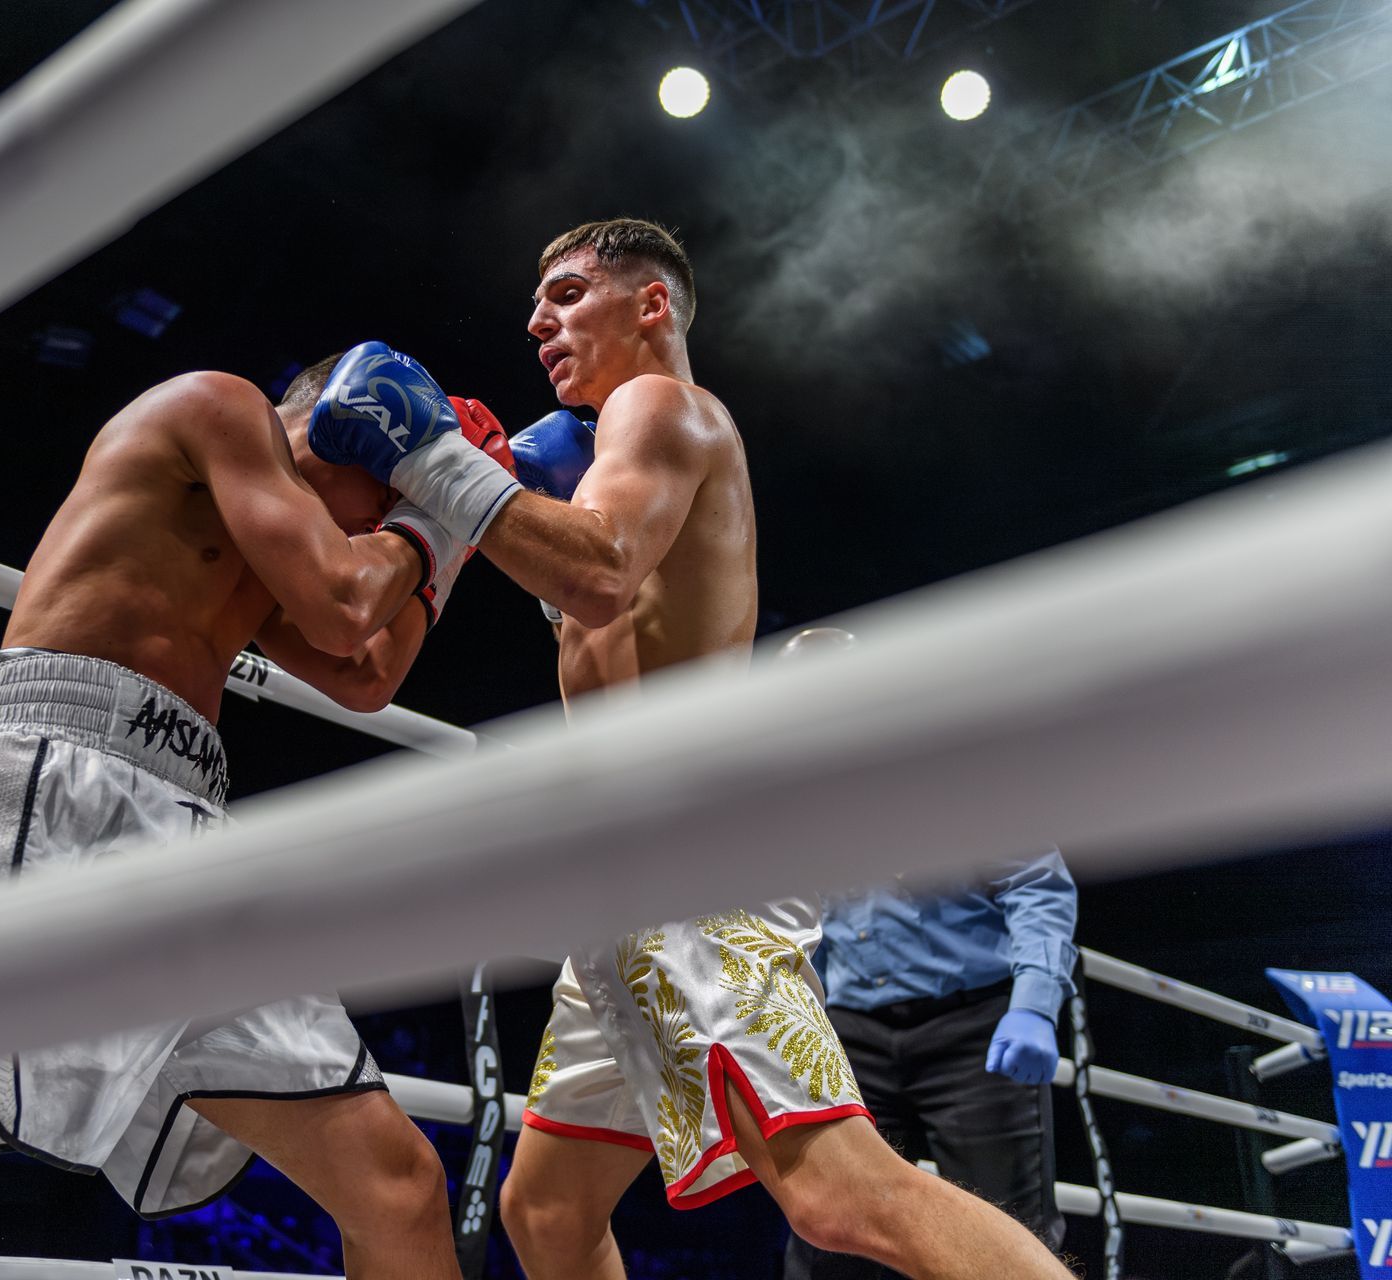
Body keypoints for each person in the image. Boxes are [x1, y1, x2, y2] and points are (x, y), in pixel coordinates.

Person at [308, 219, 1074, 1279]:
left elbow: (601, 573)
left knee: (839, 1195)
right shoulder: (592, 464)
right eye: (535, 304)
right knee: (548, 1209)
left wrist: (438, 463)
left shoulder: (660, 406)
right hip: (622, 871)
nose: (536, 323)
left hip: (691, 852)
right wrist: (453, 500)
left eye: (567, 294)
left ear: (651, 304)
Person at [0, 357, 515, 1280]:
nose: (376, 520)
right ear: (348, 417)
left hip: (188, 830)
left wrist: (442, 527)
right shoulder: (219, 407)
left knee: (397, 1189)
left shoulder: (272, 533)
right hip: (50, 777)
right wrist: (438, 507)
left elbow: (366, 674)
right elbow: (348, 601)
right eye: (389, 487)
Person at [786, 626, 1077, 1277]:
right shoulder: (795, 801)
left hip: (972, 1034)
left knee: (1008, 1228)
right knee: (828, 1232)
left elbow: (1036, 884)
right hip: (847, 1038)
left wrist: (1034, 1005)